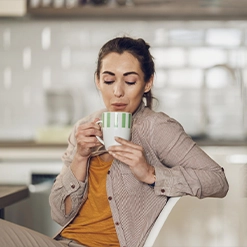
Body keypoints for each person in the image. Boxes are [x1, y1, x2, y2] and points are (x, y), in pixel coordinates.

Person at [0, 36, 229, 247]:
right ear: (98, 81)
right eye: (109, 80)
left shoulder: (156, 128)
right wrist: (80, 157)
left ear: (147, 83)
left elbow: (218, 180)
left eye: (130, 81)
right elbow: (60, 215)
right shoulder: (84, 128)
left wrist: (150, 173)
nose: (117, 91)